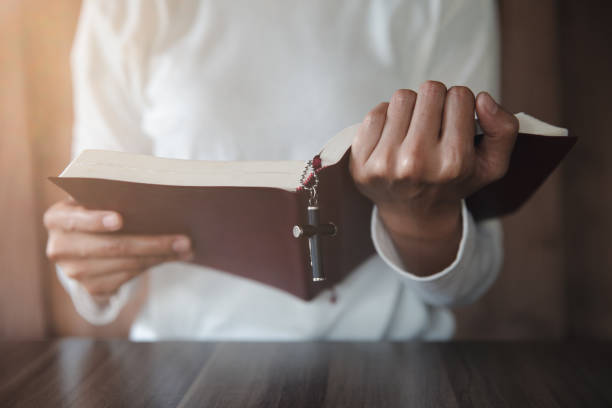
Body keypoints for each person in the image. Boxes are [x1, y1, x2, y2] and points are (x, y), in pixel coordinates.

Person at [44, 0, 517, 340]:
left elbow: (469, 278)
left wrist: (422, 219)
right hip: (185, 365)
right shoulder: (124, 9)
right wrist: (88, 265)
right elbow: (96, 218)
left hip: (390, 360)